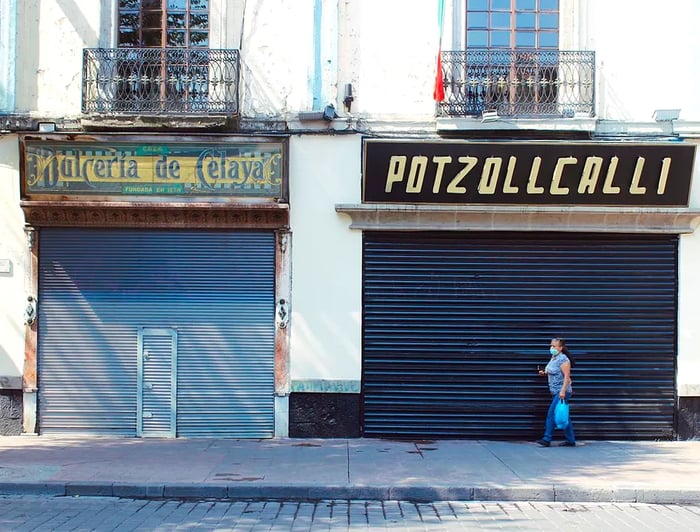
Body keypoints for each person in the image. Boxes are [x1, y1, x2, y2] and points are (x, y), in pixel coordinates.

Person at [535, 337, 576, 447]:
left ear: (560, 348)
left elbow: (567, 377)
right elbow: (553, 372)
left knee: (551, 413)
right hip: (556, 391)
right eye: (551, 345)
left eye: (554, 346)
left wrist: (562, 391)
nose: (551, 348)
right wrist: (544, 373)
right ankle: (571, 440)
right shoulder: (554, 357)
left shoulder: (563, 359)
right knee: (564, 416)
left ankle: (546, 439)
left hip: (562, 391)